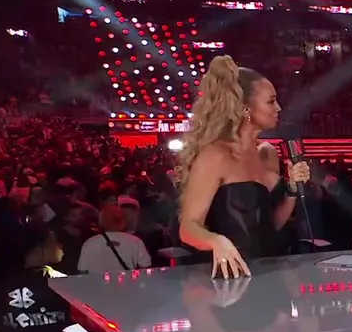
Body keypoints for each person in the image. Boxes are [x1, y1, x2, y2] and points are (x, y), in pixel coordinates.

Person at [178, 56, 311, 279]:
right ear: (245, 108)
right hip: (230, 280)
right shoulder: (216, 155)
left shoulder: (267, 153)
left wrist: (291, 190)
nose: (278, 107)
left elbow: (272, 225)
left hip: (270, 275)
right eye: (271, 101)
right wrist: (216, 241)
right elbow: (188, 228)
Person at [78, 203, 151, 274]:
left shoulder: (90, 243)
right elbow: (145, 267)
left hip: (97, 282)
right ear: (123, 221)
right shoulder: (135, 241)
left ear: (102, 222)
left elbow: (82, 271)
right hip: (127, 282)